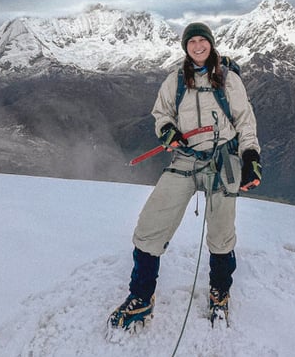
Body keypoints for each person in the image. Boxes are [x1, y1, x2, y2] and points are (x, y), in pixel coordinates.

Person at [108, 22, 262, 331]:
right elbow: (161, 114)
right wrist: (167, 130)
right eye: (192, 42)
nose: (198, 46)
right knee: (150, 226)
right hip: (187, 158)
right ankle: (141, 297)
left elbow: (245, 121)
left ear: (211, 44)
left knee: (221, 233)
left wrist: (251, 157)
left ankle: (219, 293)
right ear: (186, 47)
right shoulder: (175, 81)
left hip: (224, 158)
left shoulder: (229, 80)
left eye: (202, 40)